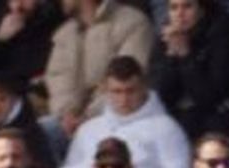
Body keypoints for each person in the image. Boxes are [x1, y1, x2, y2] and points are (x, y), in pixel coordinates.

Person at [54, 56, 192, 168]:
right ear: (105, 90)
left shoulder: (167, 129)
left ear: (144, 87)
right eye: (117, 91)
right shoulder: (88, 130)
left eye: (130, 91)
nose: (124, 99)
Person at [44, 0, 153, 146]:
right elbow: (59, 77)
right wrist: (67, 113)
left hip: (116, 118)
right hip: (70, 122)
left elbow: (126, 79)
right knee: (38, 133)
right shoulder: (65, 33)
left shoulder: (133, 23)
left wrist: (89, 116)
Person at [150, 0, 229, 138]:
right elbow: (159, 95)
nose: (180, 14)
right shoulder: (165, 38)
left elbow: (209, 98)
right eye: (174, 8)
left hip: (214, 118)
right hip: (175, 116)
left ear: (201, 10)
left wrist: (186, 56)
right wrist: (171, 57)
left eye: (187, 6)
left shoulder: (220, 35)